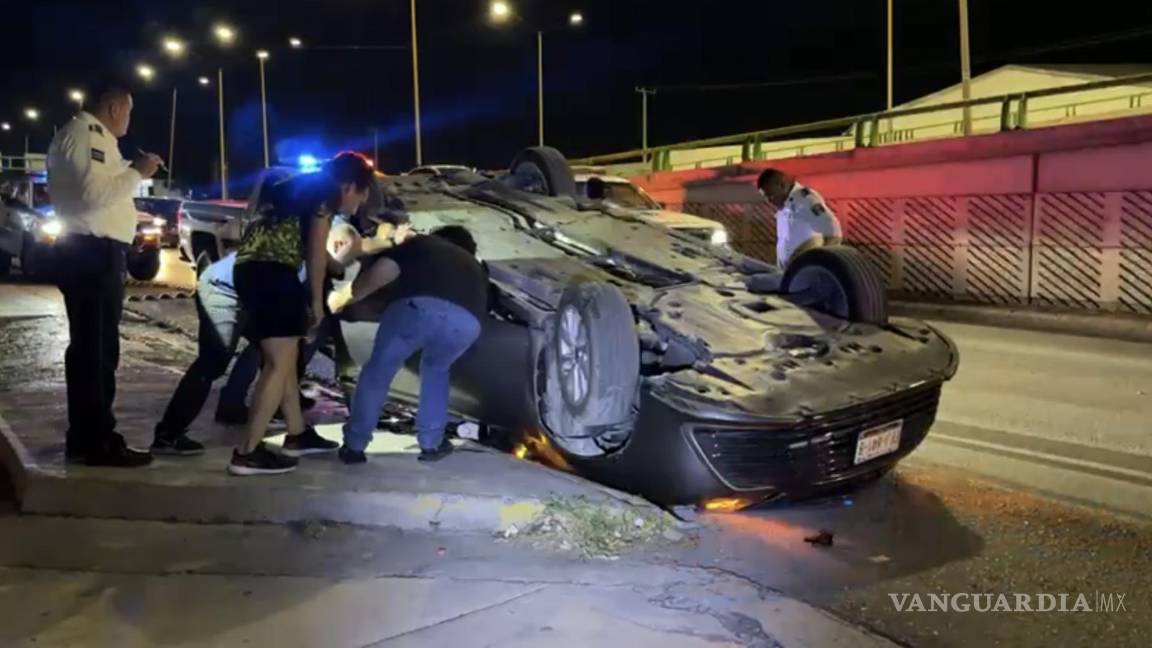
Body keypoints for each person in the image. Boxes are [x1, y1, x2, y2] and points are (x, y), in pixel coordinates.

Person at [229, 152, 374, 476]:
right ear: (349, 185)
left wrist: (336, 265)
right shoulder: (323, 196)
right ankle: (247, 452)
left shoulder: (298, 189)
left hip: (251, 271)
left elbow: (312, 245)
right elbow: (314, 255)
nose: (359, 202)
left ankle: (297, 434)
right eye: (361, 194)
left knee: (284, 360)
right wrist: (318, 304)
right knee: (279, 364)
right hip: (273, 276)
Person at [46, 78, 164, 467]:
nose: (129, 119)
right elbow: (94, 195)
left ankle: (87, 436)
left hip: (90, 252)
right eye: (128, 111)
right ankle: (97, 440)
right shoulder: (87, 136)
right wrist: (138, 172)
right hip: (91, 255)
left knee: (91, 349)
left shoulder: (81, 135)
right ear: (113, 108)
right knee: (96, 353)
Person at [330, 225, 487, 464]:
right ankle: (431, 445)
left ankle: (354, 445)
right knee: (436, 371)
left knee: (378, 372)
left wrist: (341, 300)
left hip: (418, 309)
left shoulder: (421, 243)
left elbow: (379, 275)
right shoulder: (474, 265)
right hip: (467, 324)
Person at [756, 168, 843, 268]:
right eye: (765, 197)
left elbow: (834, 231)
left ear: (782, 185)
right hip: (788, 273)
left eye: (770, 195)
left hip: (804, 274)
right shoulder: (784, 204)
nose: (768, 201)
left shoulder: (806, 200)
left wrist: (819, 264)